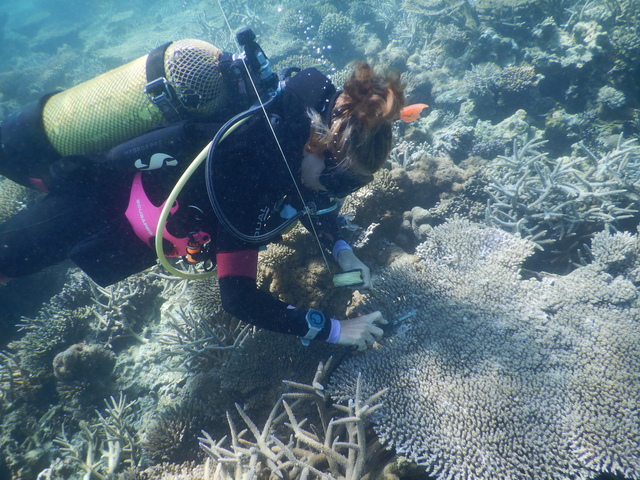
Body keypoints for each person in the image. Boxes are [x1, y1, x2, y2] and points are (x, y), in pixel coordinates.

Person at [0, 61, 406, 351]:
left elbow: (321, 202)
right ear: (317, 146)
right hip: (95, 202)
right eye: (342, 180)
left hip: (127, 200)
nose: (338, 193)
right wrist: (336, 330)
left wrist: (342, 249)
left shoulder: (299, 124)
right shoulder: (253, 171)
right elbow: (237, 298)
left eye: (355, 185)